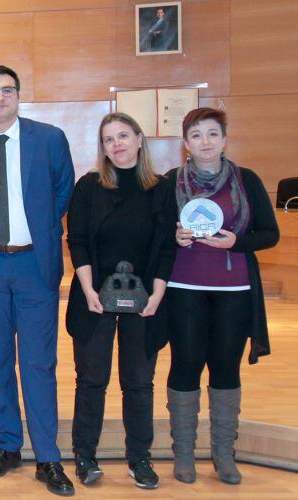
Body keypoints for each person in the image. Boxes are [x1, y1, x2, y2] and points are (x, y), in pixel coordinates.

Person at [0, 65, 75, 496]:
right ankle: (8, 444)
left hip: (34, 266)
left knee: (39, 362)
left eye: (6, 90)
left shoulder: (49, 138)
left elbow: (64, 190)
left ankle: (48, 456)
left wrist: (37, 226)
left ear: (19, 95)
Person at [161, 107, 278, 486]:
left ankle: (224, 454)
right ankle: (184, 454)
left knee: (226, 368)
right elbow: (153, 231)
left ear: (225, 139)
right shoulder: (169, 183)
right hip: (184, 287)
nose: (205, 142)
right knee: (185, 365)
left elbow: (269, 234)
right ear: (185, 144)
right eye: (196, 135)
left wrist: (237, 242)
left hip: (234, 290)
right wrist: (172, 236)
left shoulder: (247, 181)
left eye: (213, 134)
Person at [65, 113, 173, 489]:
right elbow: (76, 240)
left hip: (145, 302)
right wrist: (89, 289)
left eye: (123, 136)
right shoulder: (89, 186)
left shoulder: (161, 188)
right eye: (109, 139)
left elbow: (166, 246)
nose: (117, 145)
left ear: (140, 140)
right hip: (93, 297)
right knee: (91, 380)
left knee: (140, 382)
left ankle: (139, 458)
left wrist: (158, 292)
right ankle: (85, 455)